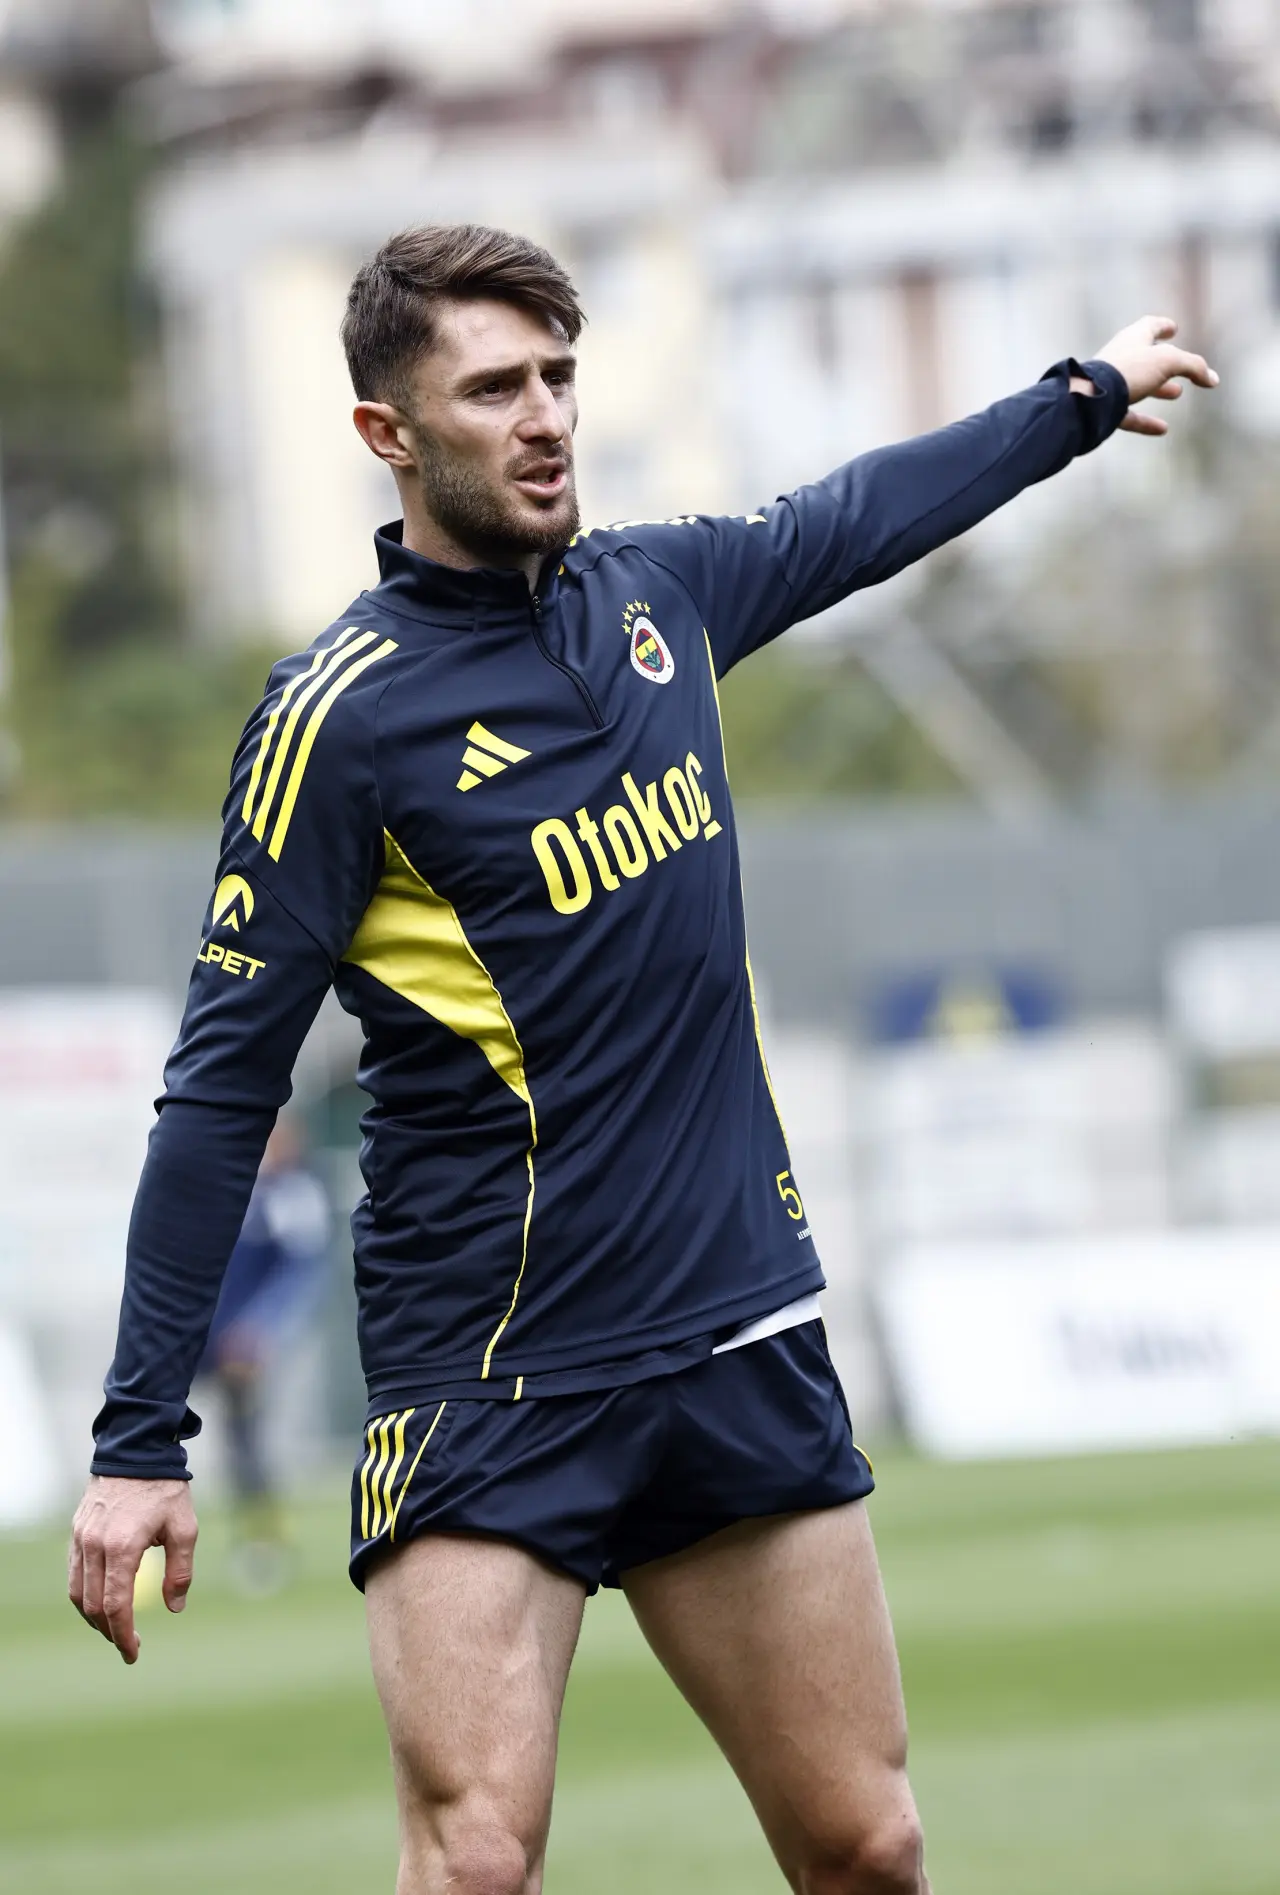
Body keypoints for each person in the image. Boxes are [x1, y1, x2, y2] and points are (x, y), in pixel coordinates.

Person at [69, 223, 1216, 1895]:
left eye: (558, 377)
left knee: (870, 1847)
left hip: (733, 1327)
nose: (545, 417)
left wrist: (1082, 397)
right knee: (475, 1860)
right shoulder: (339, 718)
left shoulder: (659, 593)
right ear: (387, 433)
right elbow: (218, 1090)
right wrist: (136, 1440)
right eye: (492, 389)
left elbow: (856, 517)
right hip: (490, 1372)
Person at [196, 1114, 329, 1585]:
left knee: (246, 1441)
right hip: (201, 1334)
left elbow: (301, 1272)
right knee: (150, 1421)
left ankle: (262, 1543)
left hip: (243, 1344)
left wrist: (260, 1328)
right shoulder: (231, 1187)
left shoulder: (292, 1195)